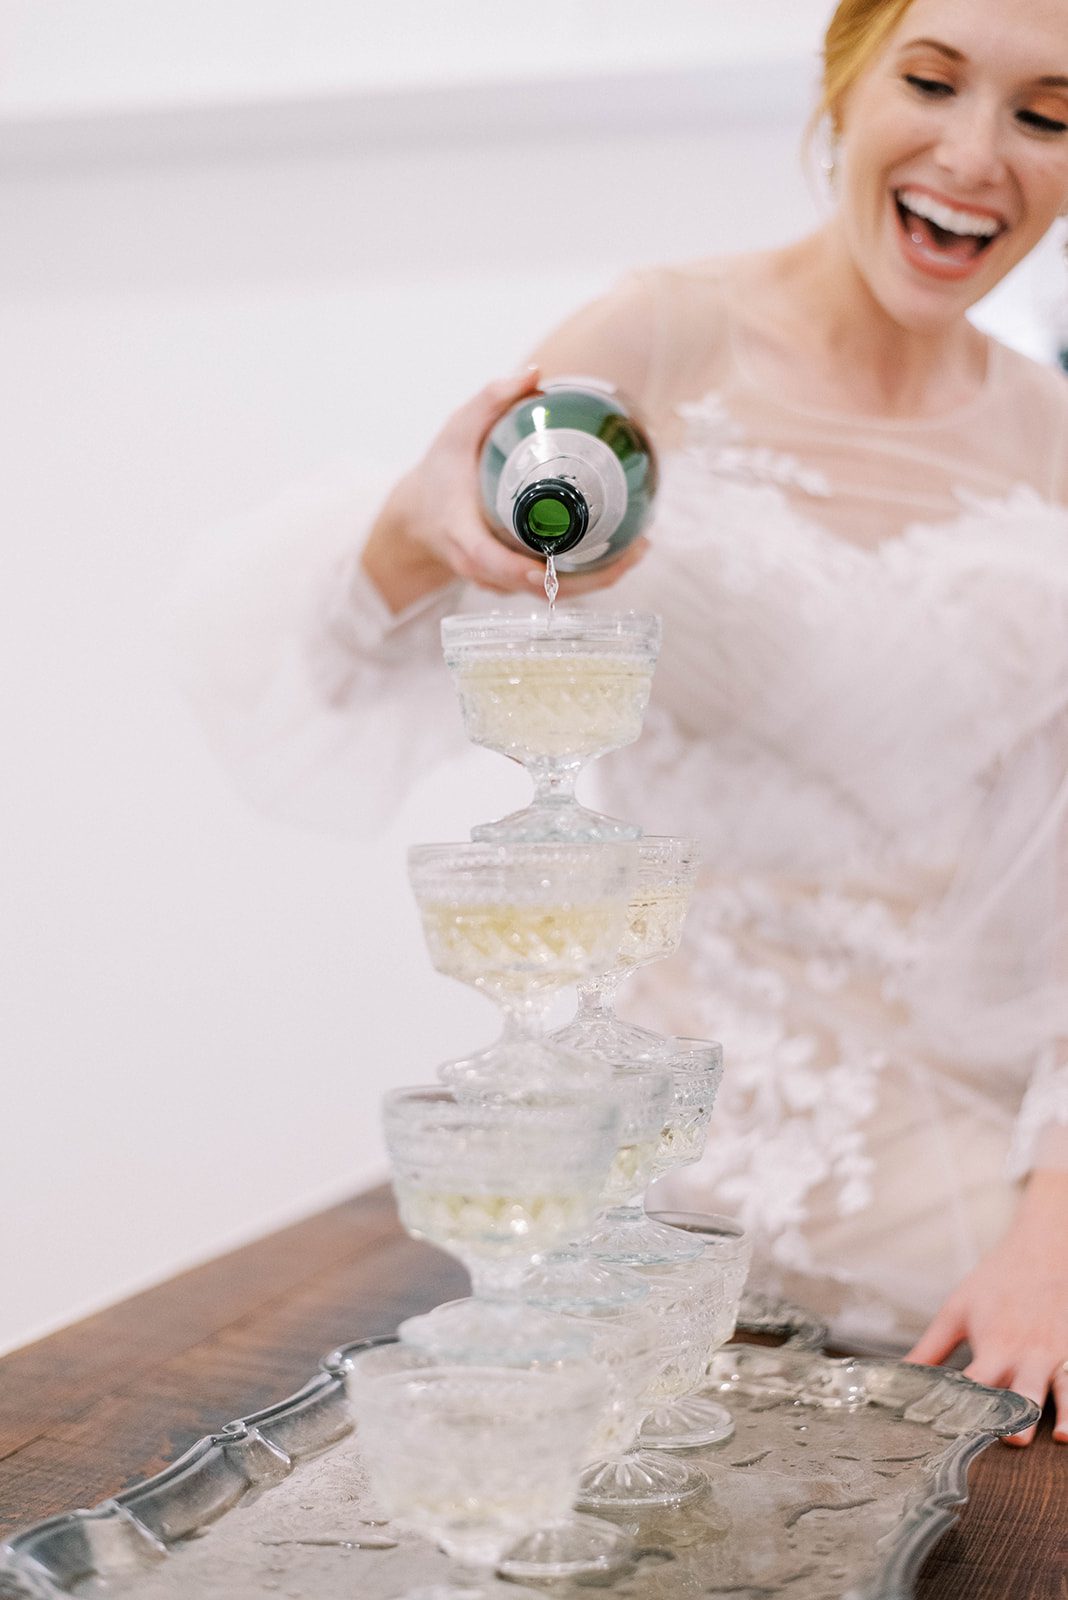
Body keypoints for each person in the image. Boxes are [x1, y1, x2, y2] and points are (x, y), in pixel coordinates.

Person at [180, 0, 1068, 1444]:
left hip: (960, 1181)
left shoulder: (1056, 447)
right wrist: (418, 525)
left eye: (1048, 114)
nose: (977, 156)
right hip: (657, 1165)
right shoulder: (658, 337)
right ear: (845, 81)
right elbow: (353, 665)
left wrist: (1053, 1232)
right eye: (932, 80)